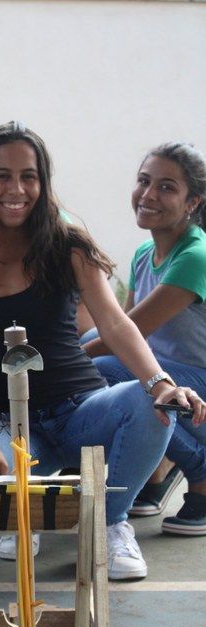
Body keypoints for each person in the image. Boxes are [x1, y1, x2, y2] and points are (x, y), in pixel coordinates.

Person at [0, 121, 206, 580]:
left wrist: (160, 383)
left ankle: (110, 523)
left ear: (43, 183)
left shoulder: (70, 247)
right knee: (3, 508)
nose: (16, 189)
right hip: (10, 423)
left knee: (151, 402)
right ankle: (30, 519)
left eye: (29, 176)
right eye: (2, 176)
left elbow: (116, 324)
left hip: (81, 410)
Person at [84, 141, 206, 536]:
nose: (149, 194)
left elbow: (125, 335)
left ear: (193, 202)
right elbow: (119, 328)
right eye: (144, 181)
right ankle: (158, 471)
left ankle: (200, 469)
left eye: (167, 187)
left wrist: (63, 362)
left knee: (103, 368)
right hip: (175, 381)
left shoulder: (195, 257)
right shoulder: (143, 254)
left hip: (199, 389)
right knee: (101, 351)